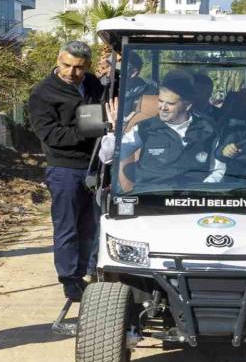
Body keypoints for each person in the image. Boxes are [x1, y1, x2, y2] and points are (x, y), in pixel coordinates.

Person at [28, 41, 104, 302]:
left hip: (97, 165)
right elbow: (49, 134)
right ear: (58, 60)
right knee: (68, 226)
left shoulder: (94, 84)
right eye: (67, 66)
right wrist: (88, 131)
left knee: (92, 225)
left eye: (79, 68)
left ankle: (87, 271)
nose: (72, 73)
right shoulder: (42, 93)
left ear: (88, 66)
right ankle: (69, 278)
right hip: (64, 168)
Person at [100, 71, 225, 187]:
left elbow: (218, 169)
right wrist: (114, 133)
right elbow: (108, 158)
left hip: (193, 200)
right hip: (150, 198)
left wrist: (201, 191)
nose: (162, 108)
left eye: (170, 104)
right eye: (160, 101)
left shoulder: (208, 129)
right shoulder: (145, 128)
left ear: (187, 106)